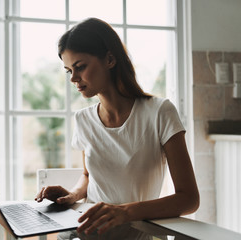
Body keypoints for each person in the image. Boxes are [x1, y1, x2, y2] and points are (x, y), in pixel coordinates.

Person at [35, 18, 199, 235]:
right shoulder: (83, 119)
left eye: (80, 67)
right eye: (68, 71)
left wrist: (125, 212)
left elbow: (189, 199)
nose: (73, 78)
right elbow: (88, 175)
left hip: (134, 233)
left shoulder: (159, 112)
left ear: (110, 59)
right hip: (84, 231)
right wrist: (72, 196)